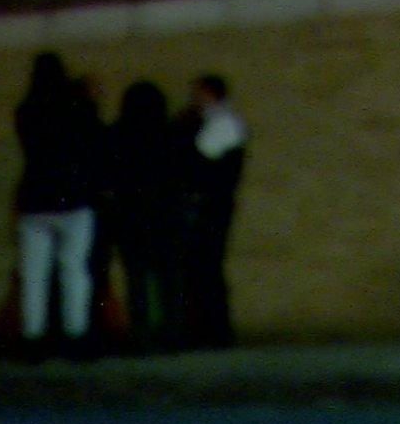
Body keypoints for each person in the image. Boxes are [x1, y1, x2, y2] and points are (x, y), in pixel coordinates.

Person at [14, 52, 101, 360]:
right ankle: (75, 336)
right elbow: (92, 142)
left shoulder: (25, 111)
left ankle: (33, 338)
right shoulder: (79, 108)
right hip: (75, 199)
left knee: (34, 275)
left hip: (35, 200)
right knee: (74, 270)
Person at [106, 81, 183, 353]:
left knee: (136, 278)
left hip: (130, 214)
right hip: (166, 213)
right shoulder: (172, 132)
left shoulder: (117, 134)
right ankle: (173, 332)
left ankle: (141, 334)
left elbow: (110, 175)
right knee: (169, 278)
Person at [182, 74, 248, 349]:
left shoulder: (221, 123)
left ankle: (212, 331)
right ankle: (213, 329)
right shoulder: (227, 122)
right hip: (218, 203)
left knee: (206, 266)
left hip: (212, 205)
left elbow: (199, 157)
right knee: (207, 266)